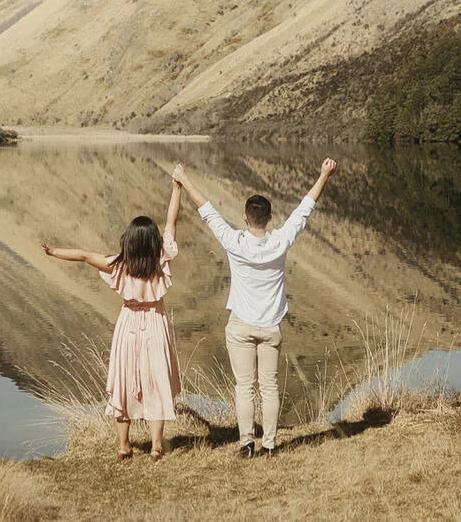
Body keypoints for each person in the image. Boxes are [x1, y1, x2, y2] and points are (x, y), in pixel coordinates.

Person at [170, 157, 337, 458]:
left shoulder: (235, 241)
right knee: (269, 387)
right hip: (271, 326)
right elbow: (305, 209)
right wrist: (324, 175)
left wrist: (183, 179)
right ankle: (270, 445)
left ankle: (247, 444)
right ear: (270, 218)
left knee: (244, 386)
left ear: (245, 218)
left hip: (241, 326)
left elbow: (206, 210)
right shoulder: (281, 241)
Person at [39, 176, 184, 461]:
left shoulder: (119, 263)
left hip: (128, 323)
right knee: (156, 382)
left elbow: (82, 255)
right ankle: (155, 446)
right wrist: (176, 190)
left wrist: (53, 251)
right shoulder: (161, 258)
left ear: (128, 241)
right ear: (154, 241)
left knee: (123, 382)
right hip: (155, 322)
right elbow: (171, 222)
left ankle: (123, 446)